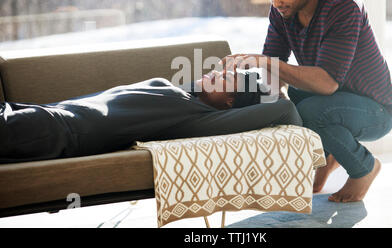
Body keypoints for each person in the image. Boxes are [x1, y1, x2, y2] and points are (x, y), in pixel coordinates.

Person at [223, 0, 392, 203]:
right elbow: (273, 67)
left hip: (377, 109)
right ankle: (328, 157)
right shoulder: (282, 12)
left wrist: (268, 63)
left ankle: (364, 168)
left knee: (312, 111)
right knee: (291, 101)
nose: (275, 3)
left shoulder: (342, 6)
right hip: (338, 98)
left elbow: (326, 83)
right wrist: (277, 107)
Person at [0, 69, 301, 164]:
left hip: (53, 130)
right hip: (36, 111)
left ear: (230, 100)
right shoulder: (187, 95)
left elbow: (283, 109)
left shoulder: (196, 118)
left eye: (227, 78)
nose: (217, 71)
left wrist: (270, 79)